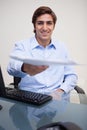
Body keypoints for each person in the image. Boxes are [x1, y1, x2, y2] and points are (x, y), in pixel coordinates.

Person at [7, 6, 78, 100]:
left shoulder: (62, 47)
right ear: (34, 26)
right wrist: (25, 66)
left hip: (56, 100)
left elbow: (71, 75)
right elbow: (11, 68)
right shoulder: (22, 45)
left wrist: (61, 90)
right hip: (29, 99)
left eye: (49, 23)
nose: (45, 28)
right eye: (40, 23)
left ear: (54, 26)